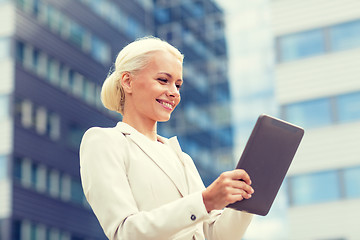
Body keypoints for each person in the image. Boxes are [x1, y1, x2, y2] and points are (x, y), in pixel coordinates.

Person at [79, 36, 254, 240]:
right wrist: (205, 201)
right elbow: (124, 232)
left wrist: (249, 198)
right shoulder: (104, 142)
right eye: (163, 80)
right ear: (128, 81)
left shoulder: (181, 158)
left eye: (178, 85)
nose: (174, 93)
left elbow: (215, 235)